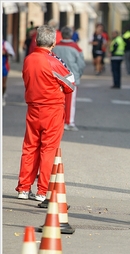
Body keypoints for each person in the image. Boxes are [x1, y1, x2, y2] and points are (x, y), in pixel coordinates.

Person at [15, 25, 75, 201]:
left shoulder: (28, 59)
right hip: (53, 109)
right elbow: (70, 84)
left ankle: (23, 188)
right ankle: (43, 191)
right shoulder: (53, 61)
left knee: (30, 147)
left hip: (33, 108)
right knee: (49, 149)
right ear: (54, 43)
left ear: (36, 40)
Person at [52, 26, 86, 131]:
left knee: (57, 101)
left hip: (57, 76)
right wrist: (78, 75)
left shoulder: (55, 47)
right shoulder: (76, 47)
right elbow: (81, 64)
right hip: (71, 77)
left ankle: (57, 122)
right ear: (71, 35)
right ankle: (69, 122)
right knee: (70, 101)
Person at [2, 38, 15, 106]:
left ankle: (2, 95)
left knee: (3, 84)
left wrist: (5, 53)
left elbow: (12, 54)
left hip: (3, 66)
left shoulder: (5, 44)